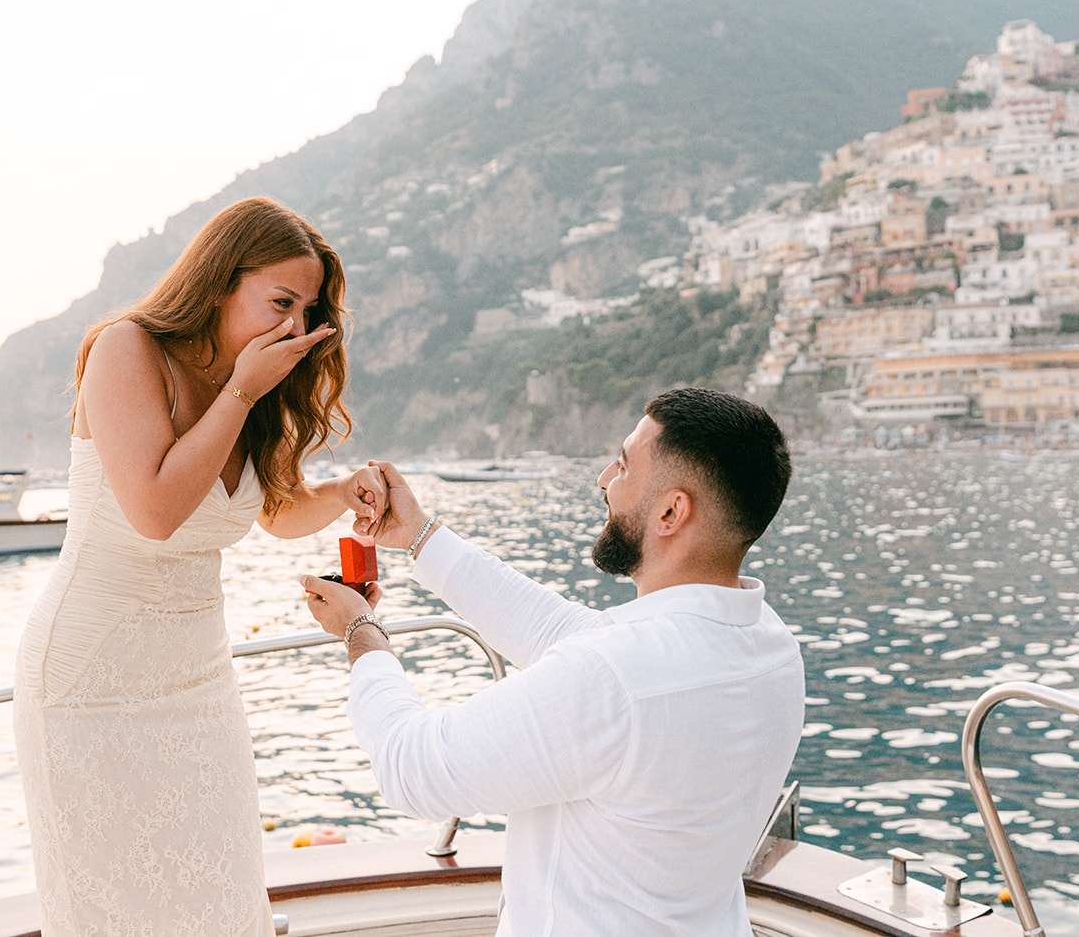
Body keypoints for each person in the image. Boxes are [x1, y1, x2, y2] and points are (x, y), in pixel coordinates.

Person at [15, 196, 387, 937]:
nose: (292, 325)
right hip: (91, 686)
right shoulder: (127, 350)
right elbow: (157, 510)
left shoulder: (255, 386)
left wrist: (345, 493)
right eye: (279, 301)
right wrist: (241, 390)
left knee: (223, 901)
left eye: (306, 309)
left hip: (199, 684)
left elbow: (276, 511)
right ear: (221, 281)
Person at [304, 388, 804, 936]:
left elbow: (410, 768)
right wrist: (420, 536)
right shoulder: (770, 645)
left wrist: (360, 632)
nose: (604, 479)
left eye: (624, 463)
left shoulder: (618, 678)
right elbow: (555, 629)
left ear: (670, 511)